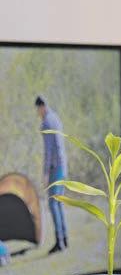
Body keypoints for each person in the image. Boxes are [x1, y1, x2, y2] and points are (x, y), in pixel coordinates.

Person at [36, 95, 69, 253]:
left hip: (55, 168)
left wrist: (45, 173)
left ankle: (59, 242)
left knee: (53, 204)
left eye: (38, 110)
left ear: (41, 107)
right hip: (63, 166)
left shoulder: (47, 123)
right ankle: (65, 239)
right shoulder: (56, 118)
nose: (38, 113)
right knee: (59, 203)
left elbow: (49, 151)